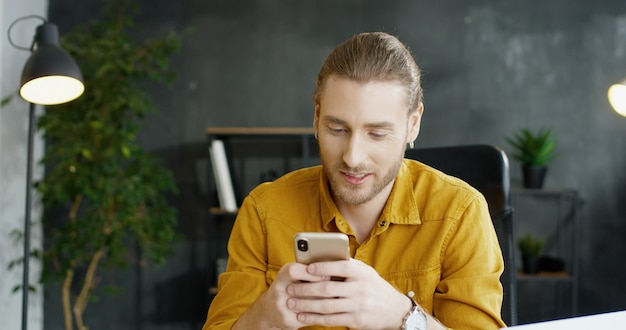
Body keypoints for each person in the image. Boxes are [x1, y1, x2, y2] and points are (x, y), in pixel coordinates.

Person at [203, 32, 506, 330]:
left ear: (413, 124)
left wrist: (404, 317)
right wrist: (265, 317)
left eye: (376, 134)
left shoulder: (461, 212)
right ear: (317, 116)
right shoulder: (264, 210)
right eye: (337, 129)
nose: (353, 157)